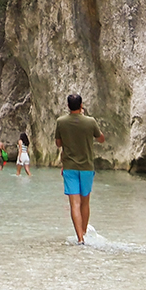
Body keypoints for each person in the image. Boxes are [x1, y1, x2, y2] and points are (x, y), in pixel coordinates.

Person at [55, 93, 105, 244]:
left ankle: (80, 238)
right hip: (86, 167)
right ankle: (83, 232)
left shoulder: (61, 122)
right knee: (85, 202)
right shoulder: (90, 122)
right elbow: (101, 139)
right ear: (81, 105)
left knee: (74, 203)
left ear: (68, 106)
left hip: (69, 167)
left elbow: (58, 143)